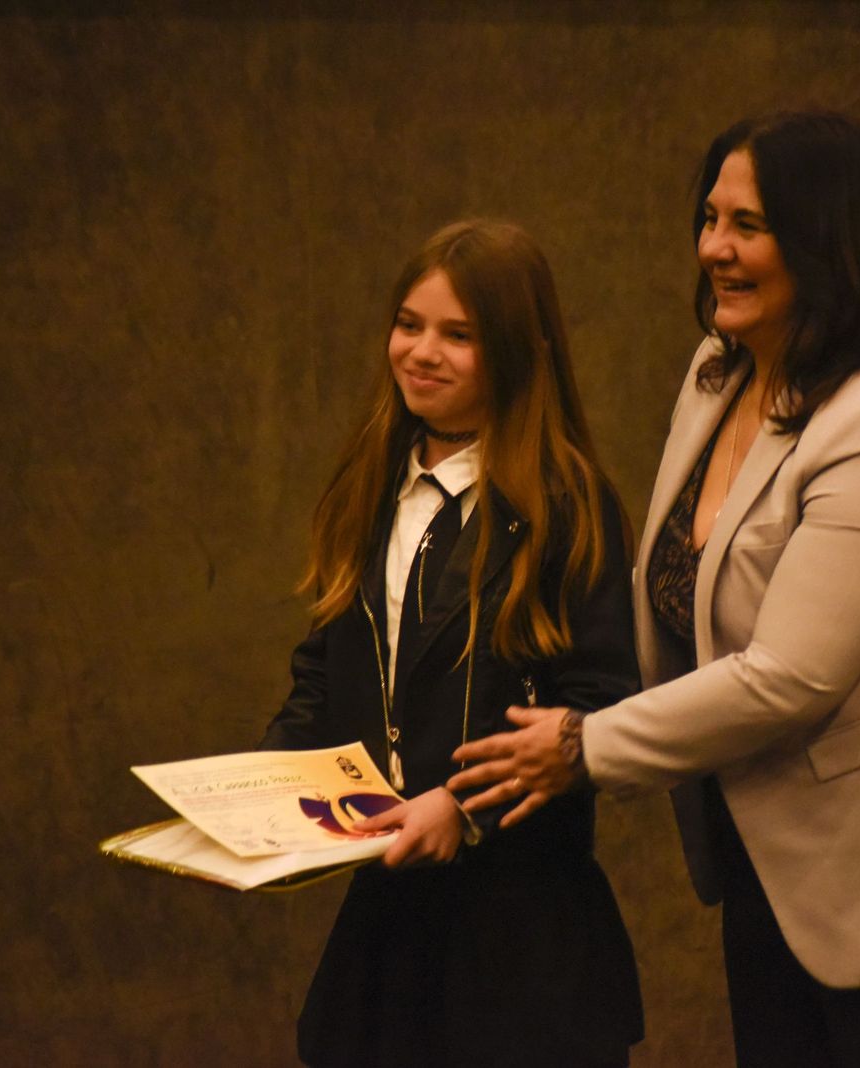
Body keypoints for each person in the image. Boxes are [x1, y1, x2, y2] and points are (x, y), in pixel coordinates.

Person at [448, 111, 860, 1066]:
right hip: (780, 863)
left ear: (831, 242)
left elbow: (791, 678)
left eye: (748, 225)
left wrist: (585, 746)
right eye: (709, 218)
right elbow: (671, 599)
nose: (714, 248)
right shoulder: (718, 372)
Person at [258, 219, 643, 1068]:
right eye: (409, 324)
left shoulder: (569, 509)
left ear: (514, 351)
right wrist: (265, 790)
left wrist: (464, 813)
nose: (421, 352)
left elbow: (603, 710)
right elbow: (322, 678)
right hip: (387, 935)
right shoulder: (368, 493)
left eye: (458, 335)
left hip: (524, 946)